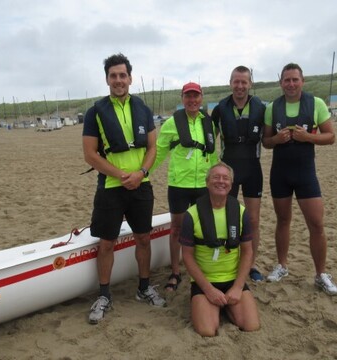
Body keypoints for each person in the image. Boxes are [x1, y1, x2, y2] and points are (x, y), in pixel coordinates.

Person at [82, 53, 166, 324]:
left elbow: (152, 147)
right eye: (113, 76)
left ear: (130, 78)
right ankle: (104, 295)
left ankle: (144, 288)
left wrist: (141, 173)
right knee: (107, 242)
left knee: (143, 238)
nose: (118, 80)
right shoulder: (96, 112)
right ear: (107, 79)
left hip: (141, 185)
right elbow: (90, 154)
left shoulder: (142, 107)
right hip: (111, 186)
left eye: (122, 75)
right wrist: (121, 175)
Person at [263, 63, 337, 296]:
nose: (291, 84)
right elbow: (266, 142)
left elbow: (331, 136)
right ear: (281, 83)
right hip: (280, 174)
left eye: (295, 79)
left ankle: (320, 274)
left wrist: (308, 136)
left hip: (306, 173)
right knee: (283, 220)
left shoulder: (315, 103)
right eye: (287, 80)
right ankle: (282, 266)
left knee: (316, 224)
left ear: (302, 81)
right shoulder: (273, 107)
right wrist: (277, 139)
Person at [179, 162, 260, 336]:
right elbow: (187, 257)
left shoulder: (240, 212)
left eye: (225, 178)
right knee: (207, 331)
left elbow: (247, 252)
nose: (220, 181)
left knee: (251, 326)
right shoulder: (191, 214)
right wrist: (208, 290)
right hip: (205, 282)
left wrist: (238, 287)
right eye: (216, 177)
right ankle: (215, 306)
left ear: (231, 184)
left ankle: (227, 306)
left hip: (232, 279)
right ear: (207, 182)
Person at [150, 82, 218, 291]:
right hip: (179, 185)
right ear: (182, 99)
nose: (192, 100)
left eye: (196, 96)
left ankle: (199, 268)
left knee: (203, 227)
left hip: (202, 186)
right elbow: (159, 152)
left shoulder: (209, 123)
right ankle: (175, 272)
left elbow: (212, 154)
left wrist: (215, 180)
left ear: (201, 98)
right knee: (177, 229)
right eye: (188, 96)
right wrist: (143, 173)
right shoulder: (171, 124)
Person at [211, 66, 266, 282]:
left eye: (244, 82)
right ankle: (230, 262)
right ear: (230, 82)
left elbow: (269, 138)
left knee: (252, 219)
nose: (240, 86)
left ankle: (251, 264)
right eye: (236, 81)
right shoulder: (220, 109)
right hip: (228, 171)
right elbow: (208, 140)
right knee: (227, 217)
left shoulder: (260, 108)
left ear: (250, 84)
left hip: (253, 168)